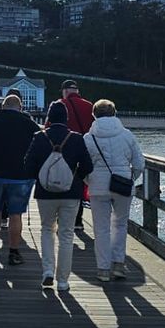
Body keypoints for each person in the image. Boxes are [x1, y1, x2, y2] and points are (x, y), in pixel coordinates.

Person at [24, 101, 93, 293]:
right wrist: (75, 178)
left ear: (48, 118)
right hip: (71, 193)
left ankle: (47, 270)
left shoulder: (39, 137)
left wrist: (42, 174)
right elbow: (88, 166)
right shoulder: (77, 139)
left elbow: (28, 166)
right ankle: (63, 281)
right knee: (66, 234)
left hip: (45, 193)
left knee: (47, 229)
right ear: (67, 118)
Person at [82, 99, 144, 282]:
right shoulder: (127, 135)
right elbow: (139, 163)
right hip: (123, 185)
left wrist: (90, 180)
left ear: (94, 115)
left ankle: (102, 269)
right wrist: (130, 178)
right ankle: (118, 264)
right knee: (120, 224)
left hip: (98, 187)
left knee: (101, 229)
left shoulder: (88, 138)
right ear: (114, 113)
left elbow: (83, 166)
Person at [0, 94, 37, 265]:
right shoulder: (30, 124)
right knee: (15, 214)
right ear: (21, 107)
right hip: (21, 176)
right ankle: (14, 251)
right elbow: (38, 147)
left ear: (2, 106)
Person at [54, 79, 96, 229]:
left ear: (65, 91)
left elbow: (49, 128)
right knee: (79, 185)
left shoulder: (59, 104)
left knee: (61, 185)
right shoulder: (89, 106)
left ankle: (62, 218)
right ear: (77, 91)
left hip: (62, 152)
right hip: (84, 150)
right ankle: (78, 220)